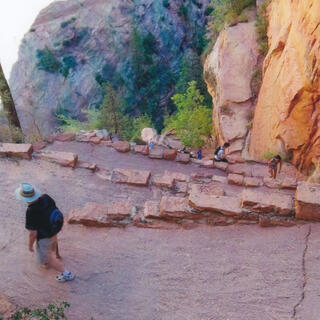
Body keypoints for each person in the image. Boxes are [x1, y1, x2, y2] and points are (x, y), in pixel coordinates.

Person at [15, 183, 75, 282]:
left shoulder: (31, 211)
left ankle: (66, 273)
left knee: (48, 259)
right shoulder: (46, 197)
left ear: (24, 198)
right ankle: (56, 255)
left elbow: (33, 233)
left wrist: (30, 246)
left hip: (45, 235)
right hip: (55, 227)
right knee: (52, 242)